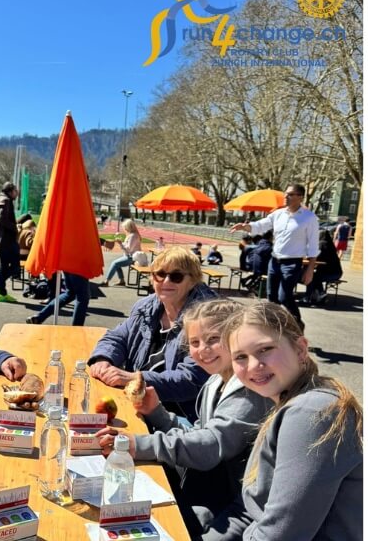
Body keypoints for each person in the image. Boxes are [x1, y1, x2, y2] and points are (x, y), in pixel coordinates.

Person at [96, 300, 273, 538]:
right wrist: (156, 412)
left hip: (232, 510)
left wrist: (138, 445)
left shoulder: (248, 392)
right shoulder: (216, 380)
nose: (203, 350)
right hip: (205, 491)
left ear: (237, 338)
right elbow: (198, 432)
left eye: (213, 339)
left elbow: (209, 447)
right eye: (194, 343)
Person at [203, 302, 362, 541]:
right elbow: (255, 511)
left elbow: (280, 535)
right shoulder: (295, 401)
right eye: (241, 357)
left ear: (300, 349)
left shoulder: (311, 413)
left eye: (265, 349)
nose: (254, 365)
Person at [89, 248, 216, 423]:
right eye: (160, 274)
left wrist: (135, 378)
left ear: (193, 281)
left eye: (176, 276)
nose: (166, 281)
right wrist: (103, 360)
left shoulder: (206, 318)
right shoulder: (146, 307)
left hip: (182, 417)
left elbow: (191, 379)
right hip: (138, 401)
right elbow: (118, 336)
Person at [230, 184, 319, 329]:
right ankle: (275, 327)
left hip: (292, 263)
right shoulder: (278, 214)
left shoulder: (309, 218)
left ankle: (297, 325)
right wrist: (244, 226)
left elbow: (314, 246)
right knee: (271, 296)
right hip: (274, 261)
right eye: (286, 194)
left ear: (300, 197)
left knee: (284, 296)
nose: (286, 197)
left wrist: (310, 269)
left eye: (290, 194)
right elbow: (260, 225)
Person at [25, 272, 90, 326]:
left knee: (70, 293)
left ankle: (39, 317)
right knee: (82, 297)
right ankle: (76, 329)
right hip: (79, 264)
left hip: (66, 264)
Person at [0, 181, 20, 302]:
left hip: (1, 240)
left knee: (4, 266)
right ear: (10, 191)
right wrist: (15, 227)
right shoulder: (6, 201)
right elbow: (2, 218)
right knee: (15, 268)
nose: (17, 193)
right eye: (15, 191)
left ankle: (2, 292)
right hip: (7, 240)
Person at [303, 230, 343, 304]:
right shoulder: (331, 246)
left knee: (312, 277)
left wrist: (307, 257)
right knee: (315, 276)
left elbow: (315, 258)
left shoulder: (322, 244)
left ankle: (308, 296)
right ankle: (319, 293)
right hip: (337, 273)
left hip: (330, 274)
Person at [99, 219, 142, 287]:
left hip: (132, 257)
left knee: (115, 263)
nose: (124, 229)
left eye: (125, 227)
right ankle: (121, 280)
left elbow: (128, 250)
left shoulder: (133, 236)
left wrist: (120, 244)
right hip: (130, 256)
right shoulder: (133, 235)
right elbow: (128, 247)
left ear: (129, 227)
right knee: (116, 264)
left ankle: (106, 281)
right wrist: (121, 243)